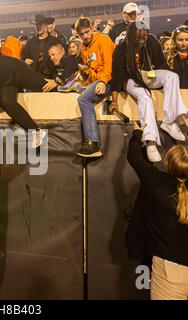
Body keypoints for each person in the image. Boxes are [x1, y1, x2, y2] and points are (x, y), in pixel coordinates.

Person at [126, 123, 188, 300]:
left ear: (167, 163)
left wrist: (138, 133)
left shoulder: (156, 181)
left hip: (172, 272)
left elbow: (135, 158)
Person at [111, 22, 187, 162]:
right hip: (129, 79)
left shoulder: (151, 40)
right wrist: (114, 101)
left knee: (172, 77)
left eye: (144, 37)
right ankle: (150, 141)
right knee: (145, 97)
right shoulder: (121, 48)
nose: (142, 41)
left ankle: (169, 121)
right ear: (131, 36)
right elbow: (116, 77)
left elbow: (162, 65)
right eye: (139, 38)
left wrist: (157, 77)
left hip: (147, 76)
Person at [74, 17, 116, 157]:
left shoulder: (102, 39)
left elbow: (108, 64)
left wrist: (103, 82)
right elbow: (92, 70)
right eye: (82, 34)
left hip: (111, 79)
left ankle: (93, 143)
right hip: (99, 80)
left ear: (92, 28)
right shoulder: (84, 47)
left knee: (83, 99)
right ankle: (91, 142)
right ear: (78, 34)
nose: (85, 36)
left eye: (87, 32)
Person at [22, 14, 62, 79]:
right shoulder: (30, 42)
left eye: (40, 24)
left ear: (46, 25)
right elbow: (23, 56)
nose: (38, 27)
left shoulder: (55, 41)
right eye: (36, 25)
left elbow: (61, 58)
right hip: (34, 78)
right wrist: (25, 60)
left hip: (52, 77)